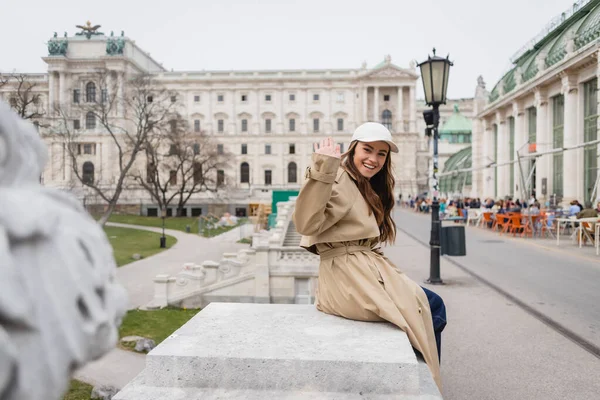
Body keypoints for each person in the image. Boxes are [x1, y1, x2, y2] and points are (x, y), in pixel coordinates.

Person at [292, 123, 446, 391]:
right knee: (429, 305)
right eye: (367, 150)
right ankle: (422, 385)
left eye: (382, 154)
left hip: (357, 272)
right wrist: (324, 166)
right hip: (349, 277)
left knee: (428, 304)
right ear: (353, 149)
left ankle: (420, 382)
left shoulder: (362, 183)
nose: (374, 159)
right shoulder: (339, 177)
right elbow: (306, 223)